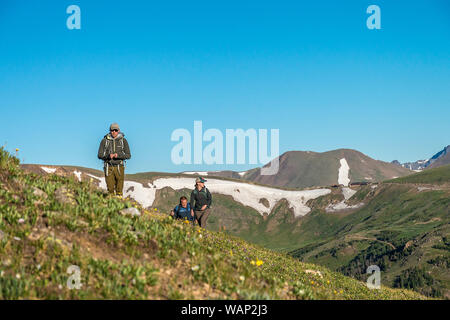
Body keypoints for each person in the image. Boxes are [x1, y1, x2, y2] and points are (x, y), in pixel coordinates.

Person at [97, 123, 131, 196]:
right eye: (112, 130)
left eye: (115, 130)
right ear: (110, 131)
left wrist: (118, 155)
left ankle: (119, 205)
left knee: (119, 189)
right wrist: (108, 156)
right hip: (108, 167)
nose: (114, 132)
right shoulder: (104, 141)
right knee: (110, 189)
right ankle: (111, 204)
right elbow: (99, 155)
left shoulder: (123, 141)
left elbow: (128, 155)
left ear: (118, 130)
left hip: (119, 167)